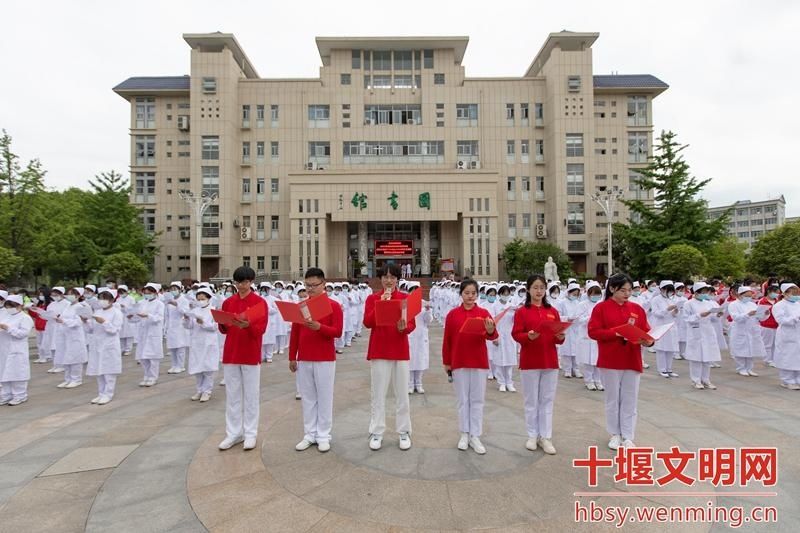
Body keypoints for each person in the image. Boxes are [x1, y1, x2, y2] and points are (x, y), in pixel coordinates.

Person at [588, 274, 654, 450]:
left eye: (629, 290)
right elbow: (593, 332)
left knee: (630, 399)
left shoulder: (637, 309)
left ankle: (628, 435)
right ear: (611, 289)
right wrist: (615, 333)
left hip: (632, 359)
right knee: (613, 399)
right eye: (623, 290)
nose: (627, 294)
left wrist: (649, 340)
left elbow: (646, 331)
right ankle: (615, 434)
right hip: (610, 359)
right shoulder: (601, 308)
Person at [362, 264, 417, 451]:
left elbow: (411, 324)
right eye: (385, 277)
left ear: (397, 279)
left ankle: (404, 432)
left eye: (392, 277)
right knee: (378, 394)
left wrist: (405, 328)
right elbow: (367, 323)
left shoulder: (405, 298)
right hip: (379, 349)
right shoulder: (373, 298)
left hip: (400, 349)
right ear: (380, 279)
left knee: (402, 394)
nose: (388, 280)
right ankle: (377, 432)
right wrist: (381, 305)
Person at [290, 268, 343, 453]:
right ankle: (309, 434)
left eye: (314, 285)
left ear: (324, 285)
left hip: (324, 358)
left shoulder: (333, 306)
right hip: (304, 357)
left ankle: (323, 435)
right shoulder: (301, 306)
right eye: (308, 285)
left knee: (324, 397)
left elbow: (337, 332)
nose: (311, 289)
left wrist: (320, 327)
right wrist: (292, 356)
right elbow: (295, 333)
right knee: (308, 398)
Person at [442, 279, 498, 454]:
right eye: (467, 293)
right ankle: (464, 433)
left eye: (473, 293)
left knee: (477, 400)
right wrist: (447, 361)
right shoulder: (453, 315)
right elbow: (447, 340)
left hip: (479, 361)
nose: (470, 296)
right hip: (459, 361)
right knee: (462, 400)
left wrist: (490, 330)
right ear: (461, 294)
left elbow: (493, 335)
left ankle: (475, 435)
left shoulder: (483, 313)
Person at [512, 274, 566, 455]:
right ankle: (532, 435)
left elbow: (558, 337)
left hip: (549, 360)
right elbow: (516, 334)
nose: (539, 291)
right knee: (531, 400)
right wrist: (528, 336)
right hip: (530, 360)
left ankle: (546, 436)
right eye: (535, 287)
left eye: (542, 288)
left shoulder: (552, 311)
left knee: (547, 400)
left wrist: (561, 336)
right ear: (528, 289)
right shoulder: (522, 312)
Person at [218, 266, 268, 451]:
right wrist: (222, 324)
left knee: (251, 395)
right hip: (231, 352)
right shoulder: (228, 302)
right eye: (238, 282)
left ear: (251, 282)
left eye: (245, 282)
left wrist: (247, 325)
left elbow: (260, 330)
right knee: (232, 395)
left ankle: (250, 433)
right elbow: (224, 329)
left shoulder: (259, 302)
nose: (242, 285)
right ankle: (233, 433)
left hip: (250, 352)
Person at [86, 289, 123, 405]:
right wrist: (85, 321)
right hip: (97, 344)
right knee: (99, 370)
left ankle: (108, 393)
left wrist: (104, 322)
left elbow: (115, 330)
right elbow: (91, 329)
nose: (102, 301)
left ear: (112, 300)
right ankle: (101, 393)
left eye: (105, 298)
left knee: (109, 371)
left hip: (109, 344)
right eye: (101, 298)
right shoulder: (97, 311)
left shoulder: (117, 313)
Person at [682, 282, 722, 390]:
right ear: (696, 292)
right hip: (696, 332)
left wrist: (717, 315)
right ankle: (696, 380)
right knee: (696, 358)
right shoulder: (688, 304)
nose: (705, 294)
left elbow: (713, 319)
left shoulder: (708, 303)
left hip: (708, 332)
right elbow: (686, 319)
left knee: (707, 358)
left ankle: (706, 380)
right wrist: (699, 315)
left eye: (706, 292)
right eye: (703, 292)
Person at [183, 287, 219, 402]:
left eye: (202, 299)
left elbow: (215, 327)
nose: (200, 301)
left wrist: (203, 323)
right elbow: (188, 326)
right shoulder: (195, 311)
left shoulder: (214, 310)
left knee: (207, 369)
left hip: (208, 343)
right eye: (198, 299)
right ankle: (199, 390)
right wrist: (186, 319)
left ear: (208, 298)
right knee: (198, 369)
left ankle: (207, 391)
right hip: (196, 343)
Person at [0, 295, 34, 405]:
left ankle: (20, 395)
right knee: (4, 372)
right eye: (7, 306)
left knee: (17, 372)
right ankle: (6, 394)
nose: (9, 308)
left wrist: (8, 328)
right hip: (4, 348)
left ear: (20, 306)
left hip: (17, 349)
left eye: (12, 306)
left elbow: (23, 334)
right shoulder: (7, 316)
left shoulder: (25, 318)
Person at [54, 288, 90, 389]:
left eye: (71, 294)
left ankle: (76, 379)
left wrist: (64, 321)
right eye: (68, 294)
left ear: (78, 296)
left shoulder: (81, 307)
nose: (69, 296)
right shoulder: (68, 306)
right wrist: (58, 319)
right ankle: (67, 379)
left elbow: (78, 322)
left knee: (75, 357)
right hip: (65, 335)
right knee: (66, 357)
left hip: (75, 336)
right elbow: (63, 317)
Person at [728, 285, 766, 377]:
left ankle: (749, 368)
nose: (749, 297)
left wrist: (764, 314)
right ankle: (741, 368)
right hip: (740, 329)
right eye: (747, 295)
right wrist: (747, 315)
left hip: (752, 329)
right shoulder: (733, 305)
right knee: (740, 350)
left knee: (751, 349)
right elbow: (735, 317)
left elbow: (760, 318)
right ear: (740, 295)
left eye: (750, 295)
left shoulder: (752, 304)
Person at [575, 282, 604, 391]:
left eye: (598, 294)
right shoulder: (582, 305)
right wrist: (591, 318)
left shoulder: (602, 304)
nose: (595, 296)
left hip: (598, 336)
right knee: (588, 361)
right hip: (586, 336)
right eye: (593, 294)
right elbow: (579, 320)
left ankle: (598, 380)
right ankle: (589, 381)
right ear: (588, 293)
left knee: (597, 360)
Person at [488, 284, 518, 392]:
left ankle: (509, 382)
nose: (506, 296)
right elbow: (491, 322)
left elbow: (516, 321)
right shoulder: (494, 306)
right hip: (499, 335)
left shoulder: (512, 306)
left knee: (509, 361)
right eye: (504, 294)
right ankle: (501, 382)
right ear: (500, 294)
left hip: (509, 336)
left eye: (508, 294)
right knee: (499, 360)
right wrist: (494, 337)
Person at [771, 282, 800, 389]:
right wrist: (796, 318)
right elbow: (781, 320)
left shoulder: (798, 304)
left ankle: (797, 379)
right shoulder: (779, 306)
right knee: (787, 357)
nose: (796, 295)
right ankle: (787, 380)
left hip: (798, 334)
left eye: (798, 293)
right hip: (787, 334)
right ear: (785, 293)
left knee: (798, 358)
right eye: (794, 293)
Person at [649, 281, 681, 378]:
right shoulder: (655, 300)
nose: (670, 293)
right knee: (662, 349)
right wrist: (667, 309)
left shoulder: (672, 300)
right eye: (668, 290)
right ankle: (662, 369)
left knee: (670, 349)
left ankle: (669, 369)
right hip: (661, 326)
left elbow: (675, 315)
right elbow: (656, 313)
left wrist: (675, 312)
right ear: (662, 289)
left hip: (671, 326)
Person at [407, 282, 432, 394]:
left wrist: (427, 311)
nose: (414, 293)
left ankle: (419, 383)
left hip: (421, 335)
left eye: (416, 290)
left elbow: (428, 320)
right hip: (410, 334)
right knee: (411, 360)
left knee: (420, 359)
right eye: (412, 290)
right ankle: (410, 384)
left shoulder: (423, 303)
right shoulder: (405, 303)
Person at [164, 282, 190, 374]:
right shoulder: (168, 301)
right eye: (172, 289)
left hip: (180, 326)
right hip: (171, 326)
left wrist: (177, 305)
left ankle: (181, 365)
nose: (173, 291)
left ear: (179, 290)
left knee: (180, 347)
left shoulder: (184, 300)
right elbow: (167, 315)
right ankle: (174, 365)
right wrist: (165, 327)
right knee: (172, 347)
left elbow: (186, 312)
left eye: (175, 289)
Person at [758, 284, 781, 367]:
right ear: (769, 292)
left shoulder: (778, 301)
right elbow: (759, 314)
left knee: (776, 344)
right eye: (776, 292)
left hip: (776, 325)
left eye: (778, 293)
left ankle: (774, 359)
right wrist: (764, 313)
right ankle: (767, 359)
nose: (777, 294)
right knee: (767, 344)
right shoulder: (762, 301)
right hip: (766, 325)